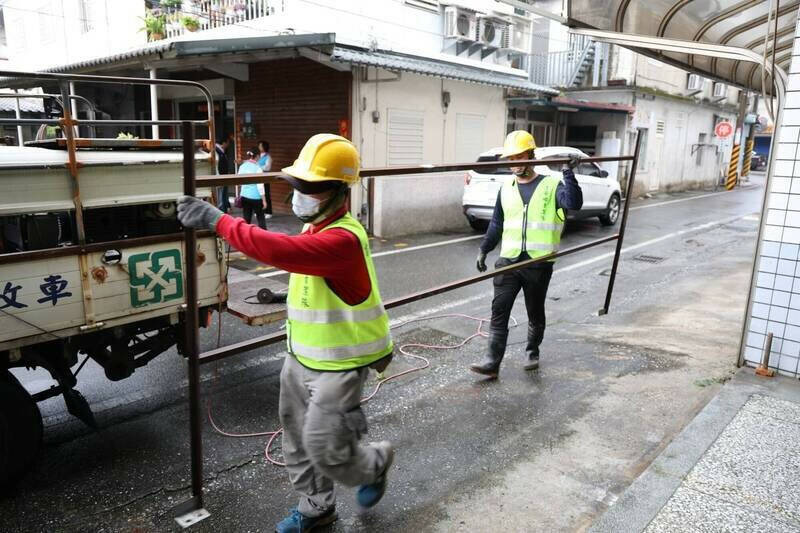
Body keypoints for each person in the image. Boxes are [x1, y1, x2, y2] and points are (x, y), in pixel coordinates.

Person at [176, 134, 395, 533]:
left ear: (338, 191)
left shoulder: (342, 239)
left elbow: (278, 251)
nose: (300, 194)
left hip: (340, 364)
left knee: (326, 449)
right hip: (300, 358)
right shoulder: (315, 229)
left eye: (311, 187)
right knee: (296, 442)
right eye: (298, 185)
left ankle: (374, 464)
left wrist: (218, 220)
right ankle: (316, 509)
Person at [470, 130, 583, 378]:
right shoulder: (506, 188)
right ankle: (492, 362)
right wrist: (484, 249)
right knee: (499, 310)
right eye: (511, 160)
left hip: (538, 262)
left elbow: (574, 203)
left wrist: (567, 171)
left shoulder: (551, 184)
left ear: (531, 156)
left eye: (519, 158)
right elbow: (497, 223)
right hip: (508, 260)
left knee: (535, 309)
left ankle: (532, 351)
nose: (515, 164)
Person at [237, 149, 268, 229]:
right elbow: (260, 186)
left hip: (244, 195)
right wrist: (264, 200)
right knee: (260, 217)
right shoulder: (258, 168)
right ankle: (264, 236)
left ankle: (245, 236)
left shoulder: (242, 166)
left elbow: (239, 181)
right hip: (256, 197)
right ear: (257, 156)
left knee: (246, 219)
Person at [257, 140, 274, 219]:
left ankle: (268, 212)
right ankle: (260, 211)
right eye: (259, 146)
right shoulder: (258, 156)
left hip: (265, 178)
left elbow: (267, 167)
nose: (259, 147)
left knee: (266, 195)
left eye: (261, 146)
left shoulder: (268, 157)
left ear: (264, 147)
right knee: (259, 195)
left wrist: (258, 167)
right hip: (258, 178)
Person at [214, 136, 231, 213]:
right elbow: (217, 165)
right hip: (220, 176)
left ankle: (225, 208)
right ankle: (221, 211)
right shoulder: (216, 151)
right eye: (227, 143)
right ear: (223, 143)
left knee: (224, 194)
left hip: (224, 176)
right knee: (221, 195)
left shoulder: (221, 151)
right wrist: (218, 176)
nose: (228, 144)